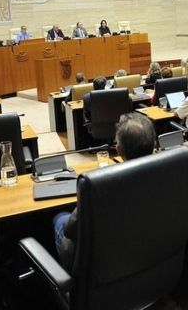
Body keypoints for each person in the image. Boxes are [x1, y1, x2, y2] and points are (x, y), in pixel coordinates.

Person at [53, 112, 156, 270]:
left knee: (59, 217)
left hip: (99, 263)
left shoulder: (98, 184)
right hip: (146, 253)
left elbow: (70, 230)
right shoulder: (168, 170)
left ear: (118, 150)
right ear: (154, 144)